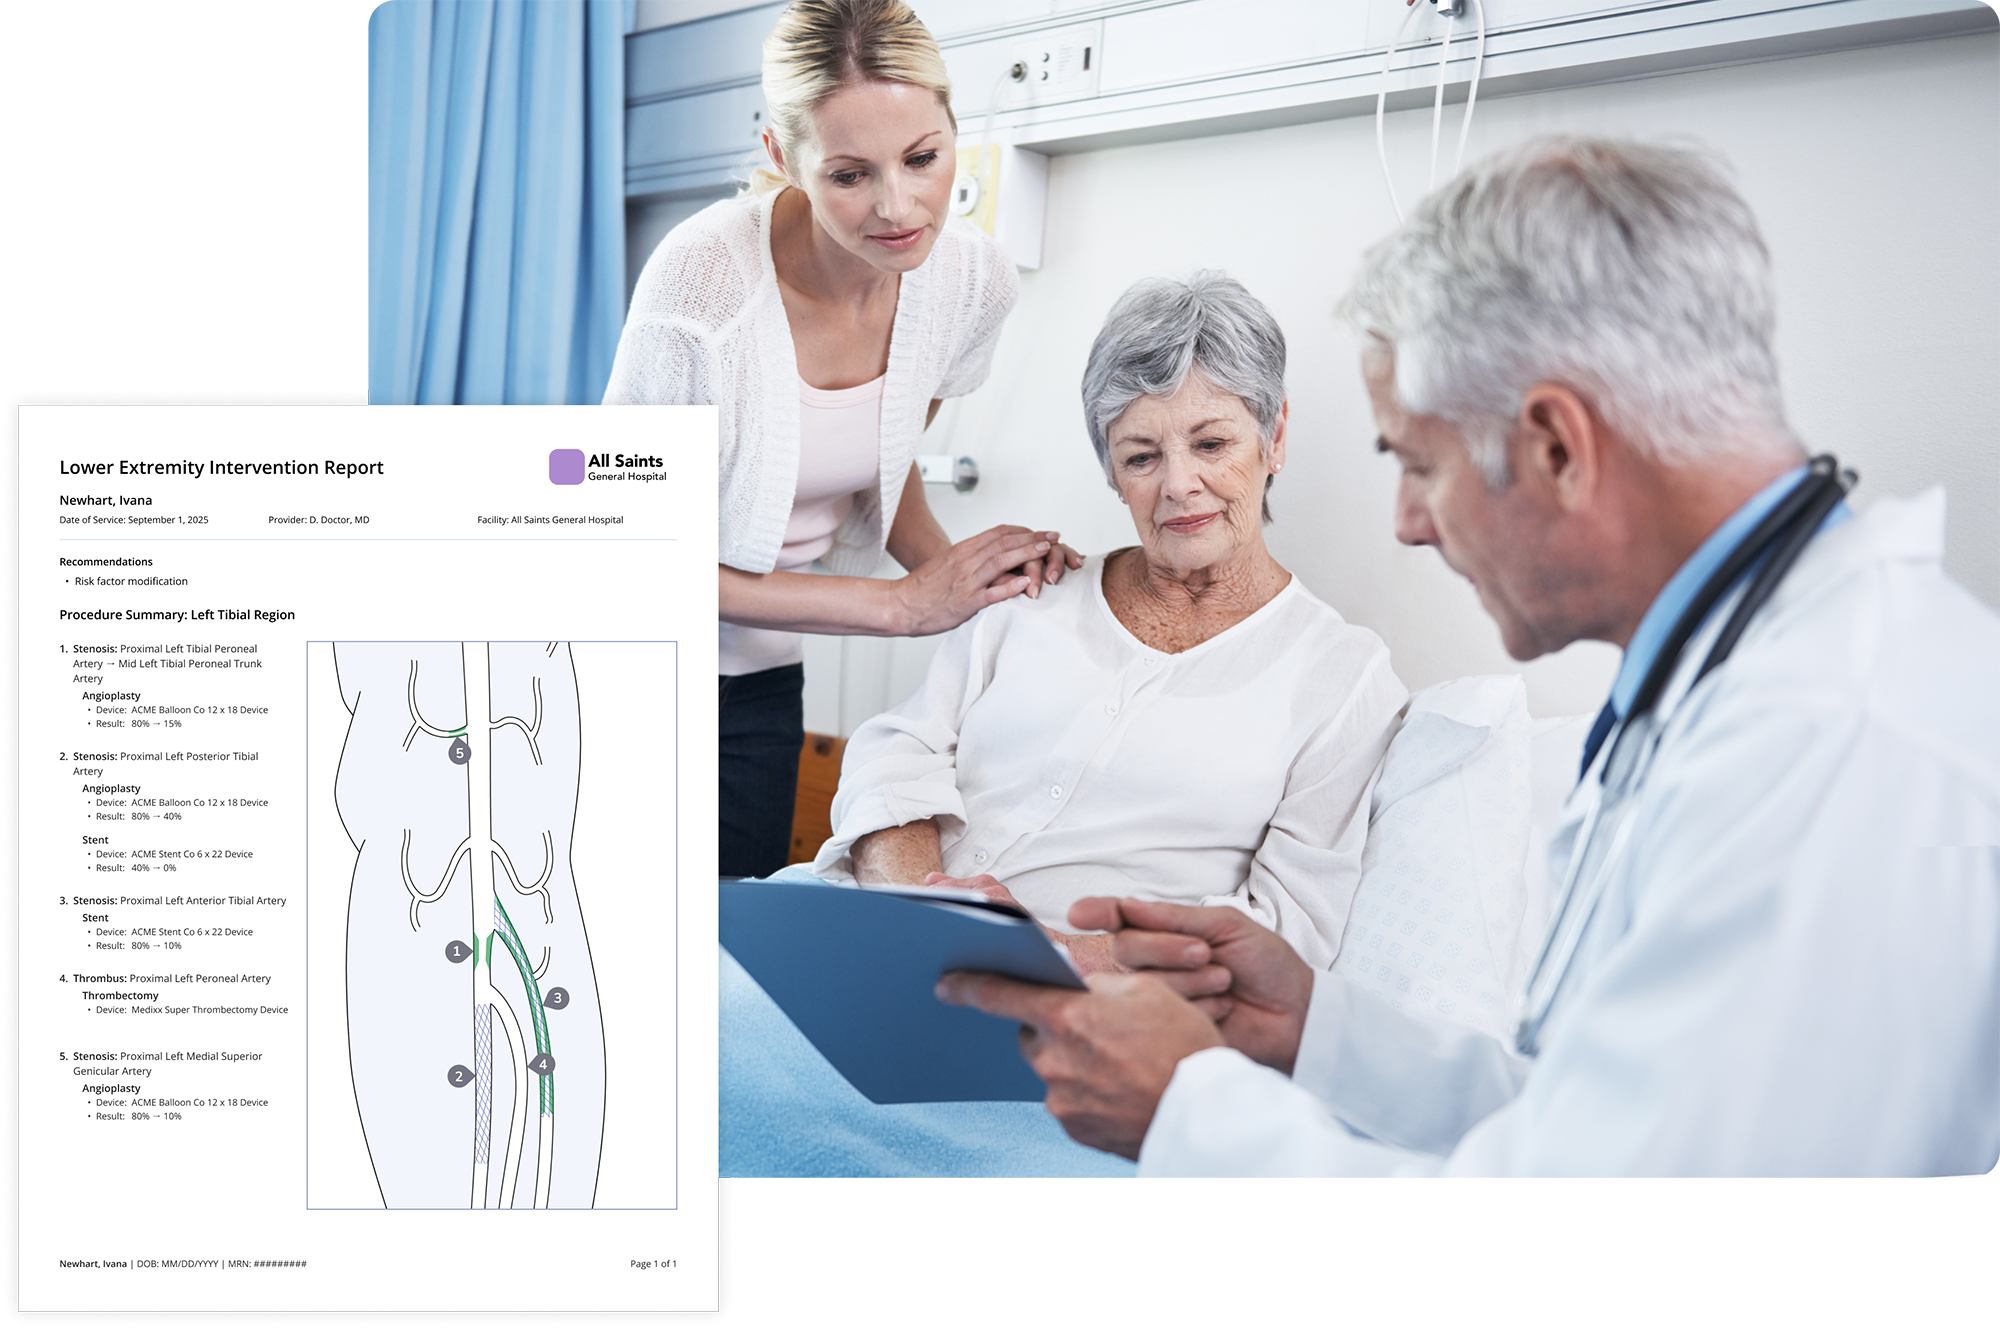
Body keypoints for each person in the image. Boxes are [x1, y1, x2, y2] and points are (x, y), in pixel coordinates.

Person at [935, 137, 2000, 1317]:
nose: (1401, 526)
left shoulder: (1836, 753)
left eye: (1418, 464)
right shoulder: (1745, 685)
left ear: (1554, 444)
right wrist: (1322, 1032)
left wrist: (1189, 1109)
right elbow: (1598, 1126)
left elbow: (1601, 1262)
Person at [604, 0, 1081, 877]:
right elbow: (629, 552)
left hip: (758, 678)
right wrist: (900, 607)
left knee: (728, 958)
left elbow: (883, 474)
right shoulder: (702, 282)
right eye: (851, 175)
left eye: (924, 160)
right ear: (782, 159)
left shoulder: (971, 280)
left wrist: (978, 581)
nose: (899, 207)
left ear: (951, 134)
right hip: (615, 664)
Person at [811, 272, 1408, 971]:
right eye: (1142, 456)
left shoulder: (1344, 677)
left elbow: (1289, 927)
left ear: (1272, 438)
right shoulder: (1034, 590)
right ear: (1111, 470)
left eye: (1212, 444)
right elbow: (897, 753)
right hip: (868, 925)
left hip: (1084, 1014)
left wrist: (1059, 957)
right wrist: (921, 900)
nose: (1179, 484)